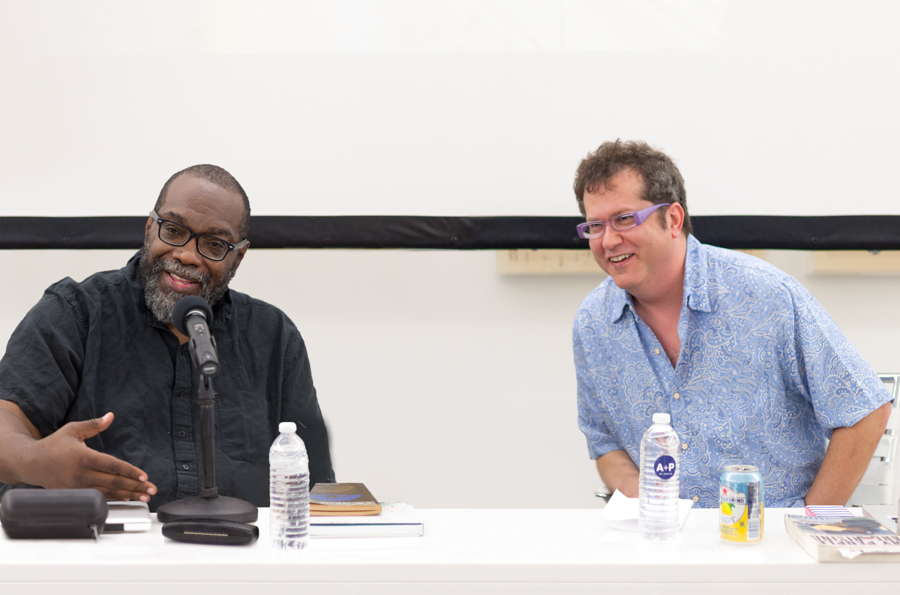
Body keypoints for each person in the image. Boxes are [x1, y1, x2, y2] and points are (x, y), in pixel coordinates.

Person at [572, 140, 892, 507]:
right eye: (595, 226)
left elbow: (866, 409)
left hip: (772, 543)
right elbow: (606, 443)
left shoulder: (765, 295)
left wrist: (806, 523)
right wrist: (645, 501)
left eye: (624, 219)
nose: (609, 240)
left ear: (673, 219)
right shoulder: (593, 323)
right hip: (664, 545)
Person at [0, 165, 334, 510]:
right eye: (173, 230)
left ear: (238, 256)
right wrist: (36, 461)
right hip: (100, 554)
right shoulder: (76, 313)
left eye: (214, 244)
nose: (187, 255)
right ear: (149, 228)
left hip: (241, 556)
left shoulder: (274, 337)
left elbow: (317, 486)